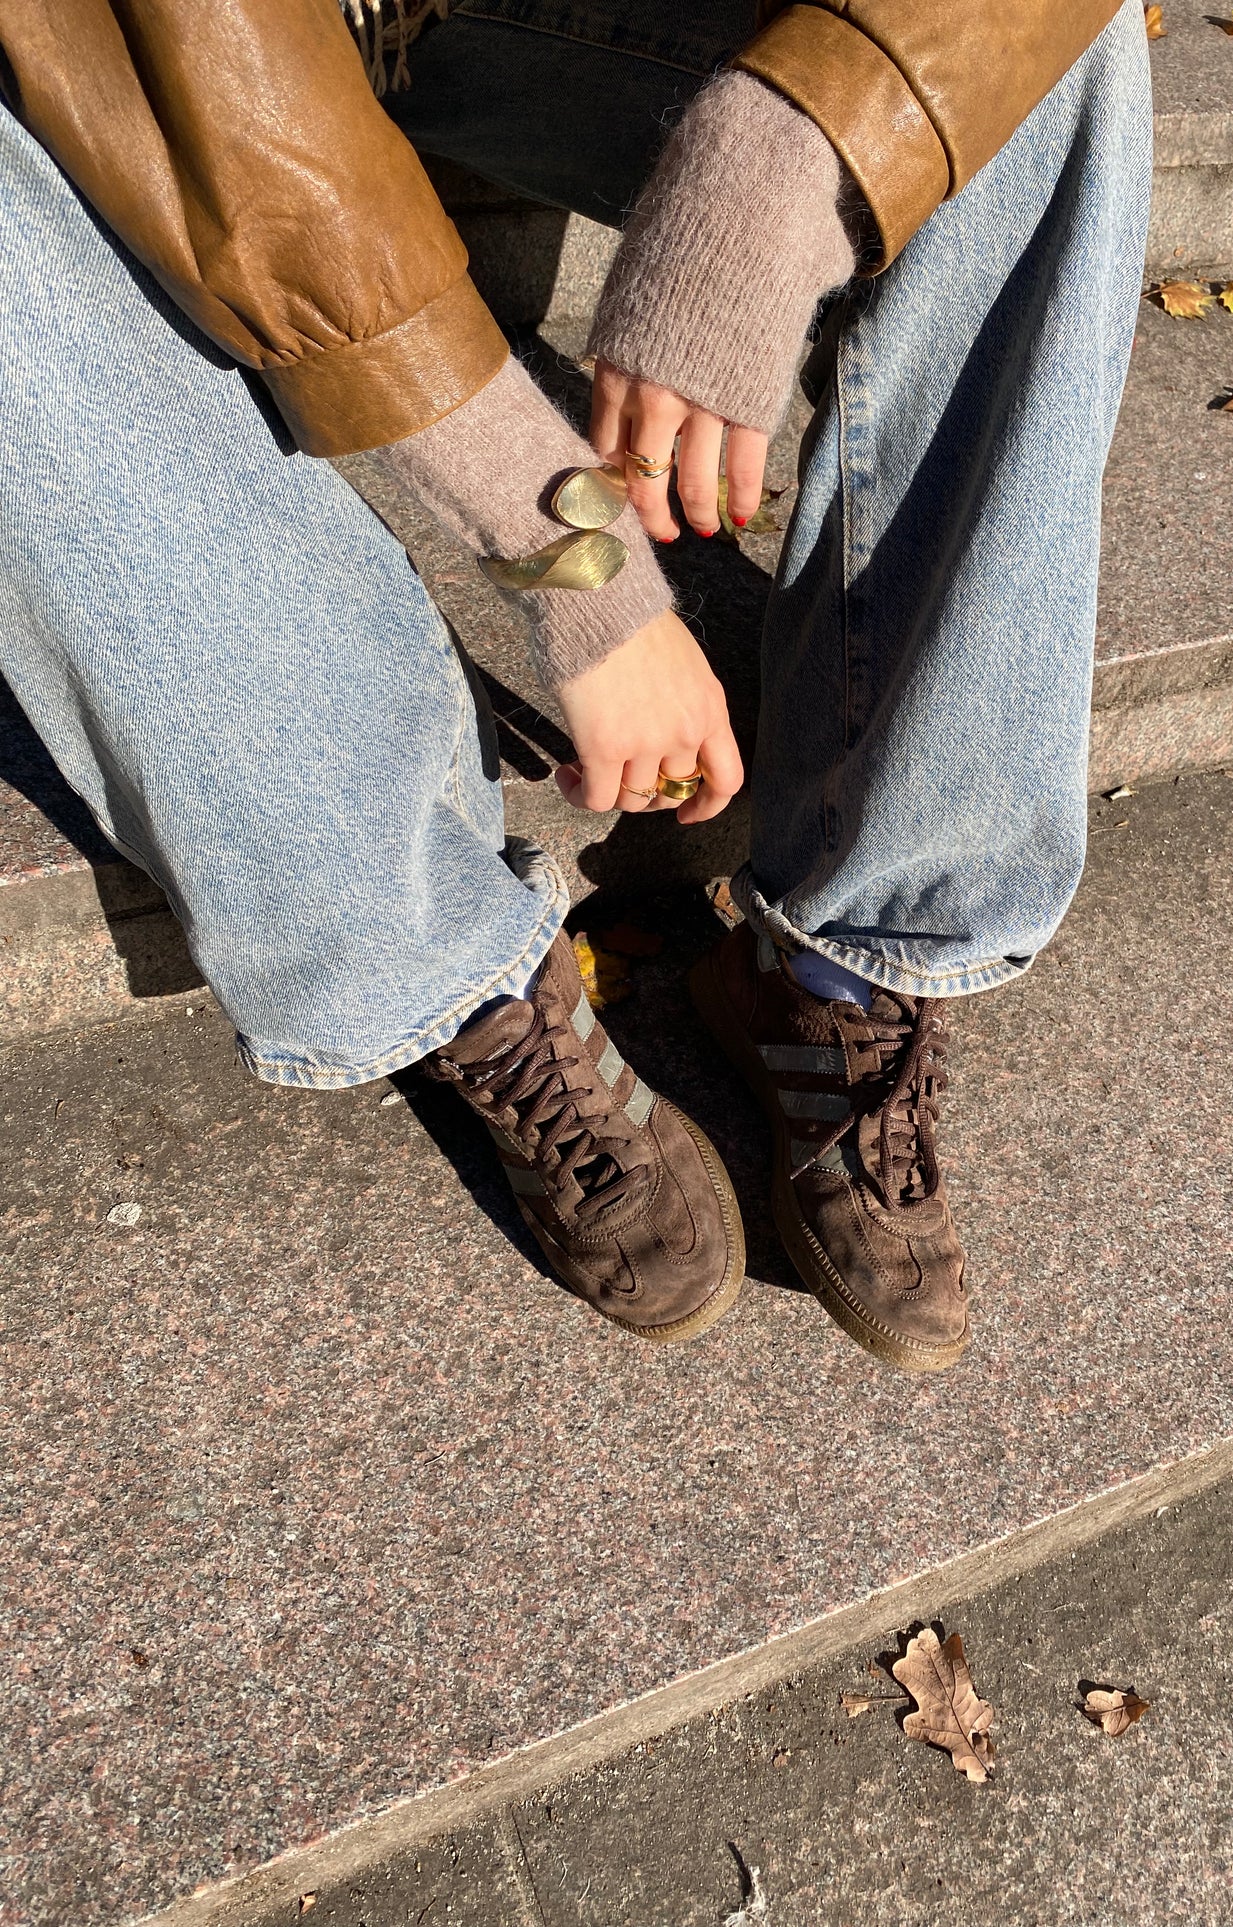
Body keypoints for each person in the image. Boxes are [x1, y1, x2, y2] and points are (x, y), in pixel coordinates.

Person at [0, 0, 1150, 1372]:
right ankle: (444, 965)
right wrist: (568, 553)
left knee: (1050, 56)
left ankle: (844, 964)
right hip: (142, 61)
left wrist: (796, 142)